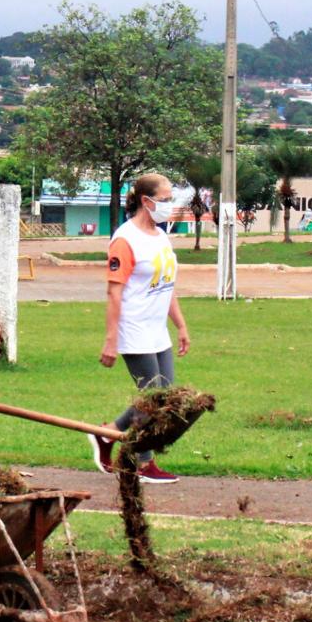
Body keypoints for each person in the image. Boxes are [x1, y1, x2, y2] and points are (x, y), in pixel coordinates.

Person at [88, 173, 190, 483]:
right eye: (165, 199)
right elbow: (114, 293)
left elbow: (167, 285)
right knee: (153, 399)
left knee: (164, 398)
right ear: (146, 201)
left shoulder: (161, 236)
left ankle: (108, 433)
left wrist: (181, 325)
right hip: (134, 329)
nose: (170, 205)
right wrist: (111, 340)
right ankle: (143, 464)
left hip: (157, 330)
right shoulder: (125, 240)